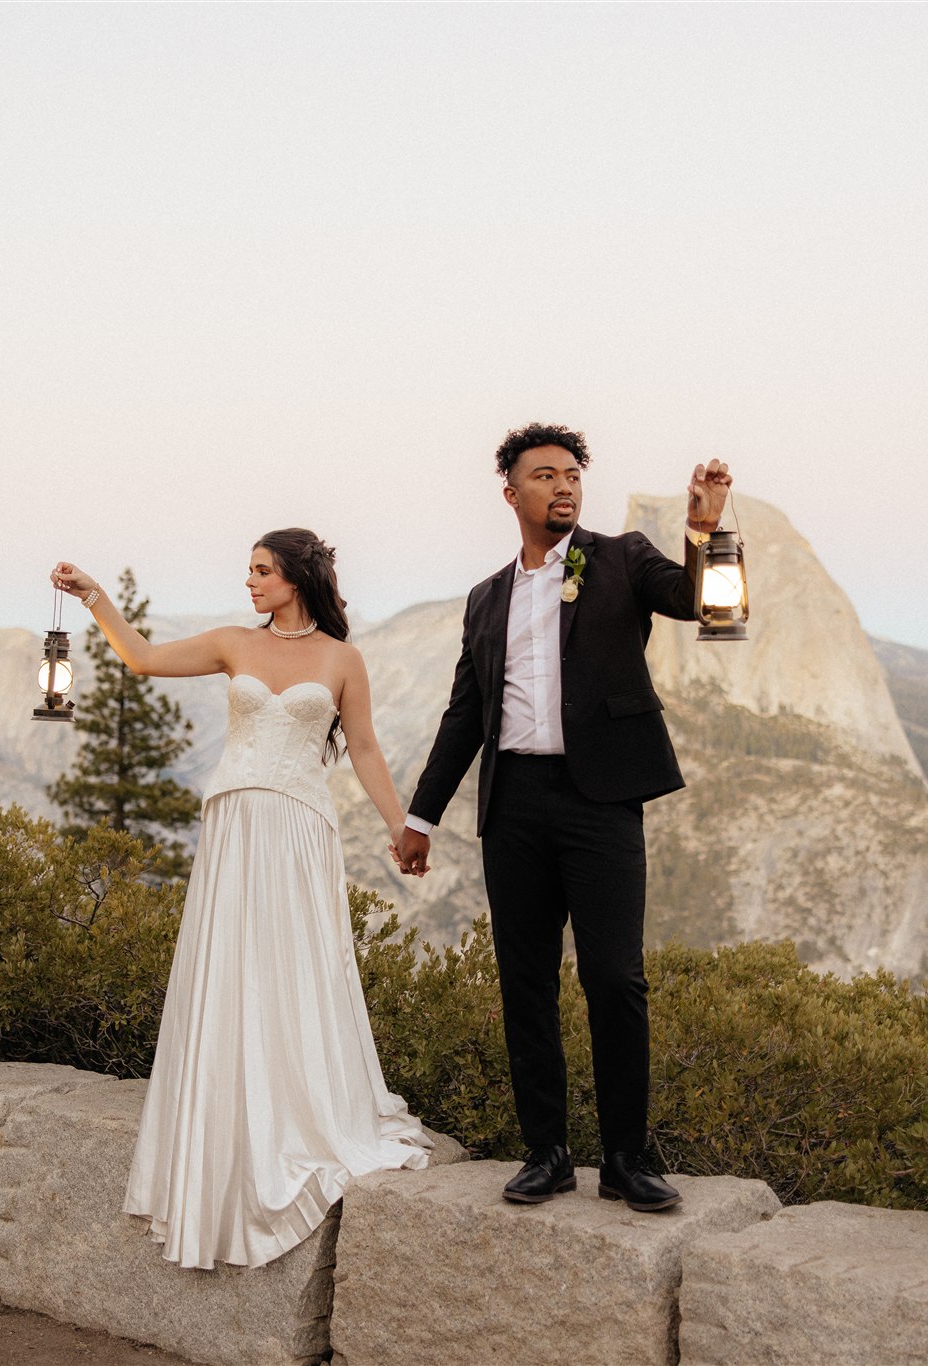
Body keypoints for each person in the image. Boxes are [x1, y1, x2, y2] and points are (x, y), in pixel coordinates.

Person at [50, 529, 430, 1272]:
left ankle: (298, 1109)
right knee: (231, 966)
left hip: (300, 826)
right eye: (249, 571)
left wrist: (398, 825)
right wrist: (95, 598)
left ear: (297, 577)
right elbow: (144, 658)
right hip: (234, 822)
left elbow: (364, 747)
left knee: (294, 966)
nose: (250, 582)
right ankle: (226, 1113)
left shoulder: (342, 659)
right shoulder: (233, 643)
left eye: (262, 571)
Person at [395, 423, 732, 1212]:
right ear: (512, 493)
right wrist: (421, 817)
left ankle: (625, 1160)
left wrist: (704, 530)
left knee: (615, 978)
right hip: (513, 805)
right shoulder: (486, 599)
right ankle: (545, 1154)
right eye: (545, 475)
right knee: (526, 984)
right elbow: (464, 715)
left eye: (573, 474)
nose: (564, 485)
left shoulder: (621, 559)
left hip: (601, 802)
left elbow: (696, 602)